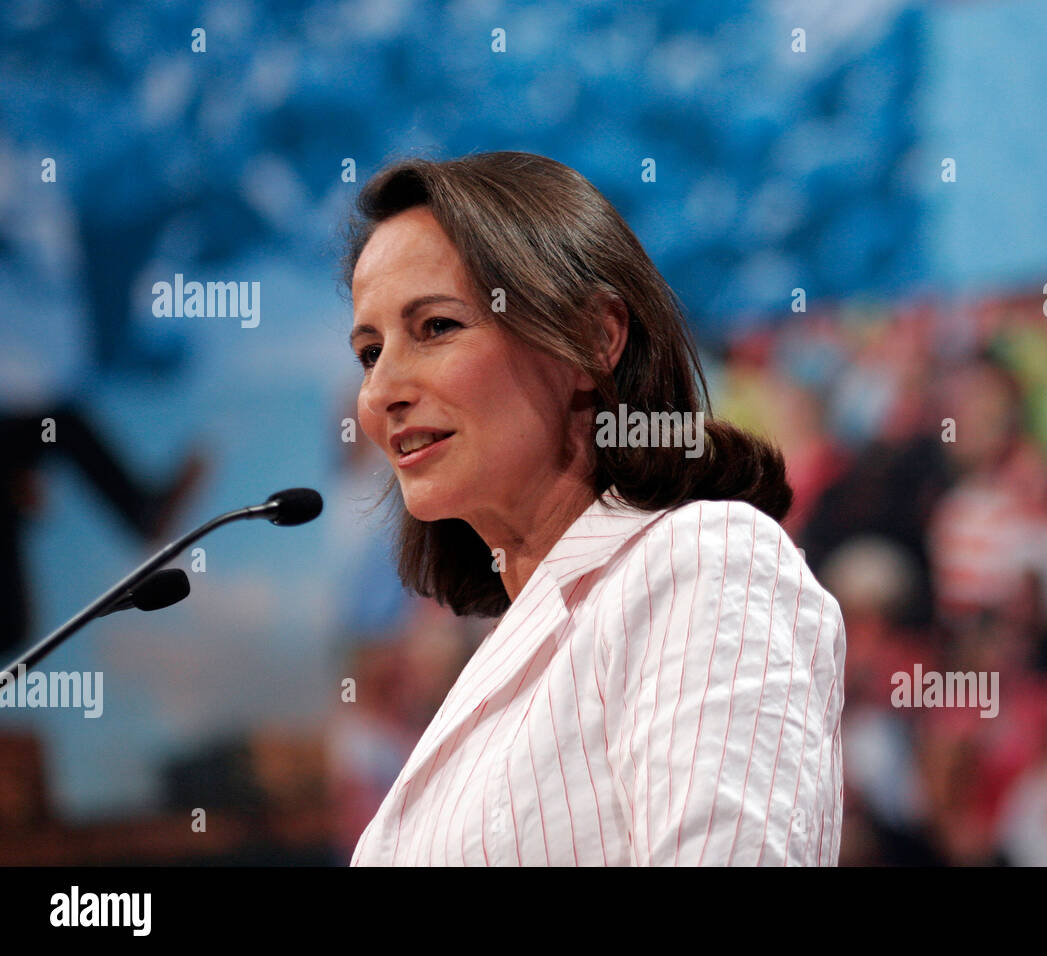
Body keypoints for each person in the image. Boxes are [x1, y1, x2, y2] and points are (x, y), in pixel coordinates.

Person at [342, 152, 846, 866]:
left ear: (592, 339)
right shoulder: (501, 658)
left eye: (435, 328)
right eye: (369, 351)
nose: (380, 390)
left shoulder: (704, 562)